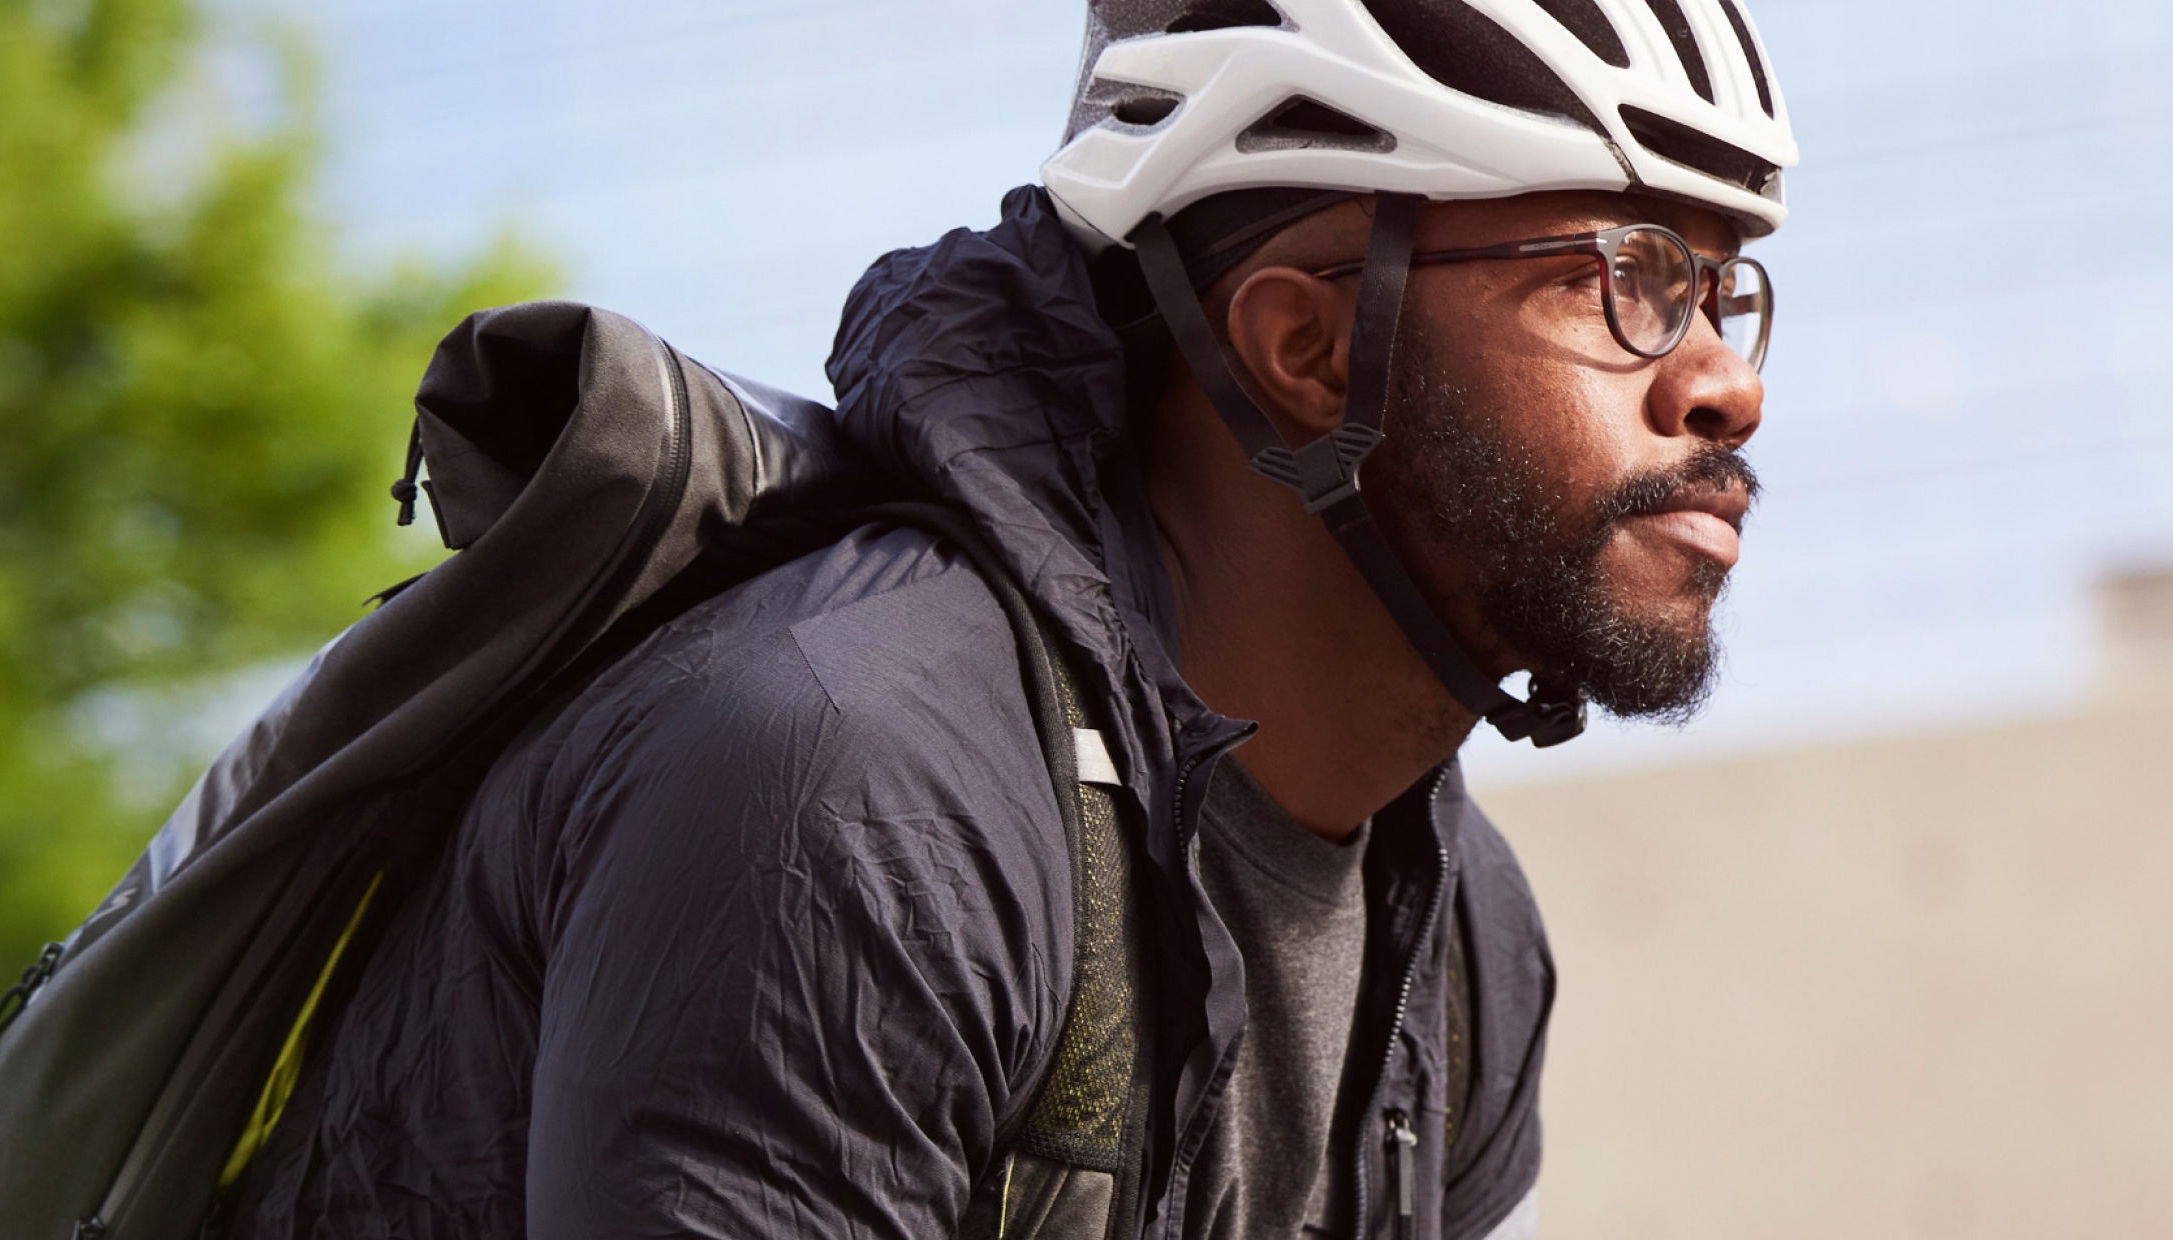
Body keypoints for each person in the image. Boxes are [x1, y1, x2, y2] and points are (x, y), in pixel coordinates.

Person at [215, 0, 1791, 1234]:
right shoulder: (853, 788)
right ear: (1305, 348)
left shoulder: (1459, 936)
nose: (1726, 380)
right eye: (1627, 278)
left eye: (1725, 292)